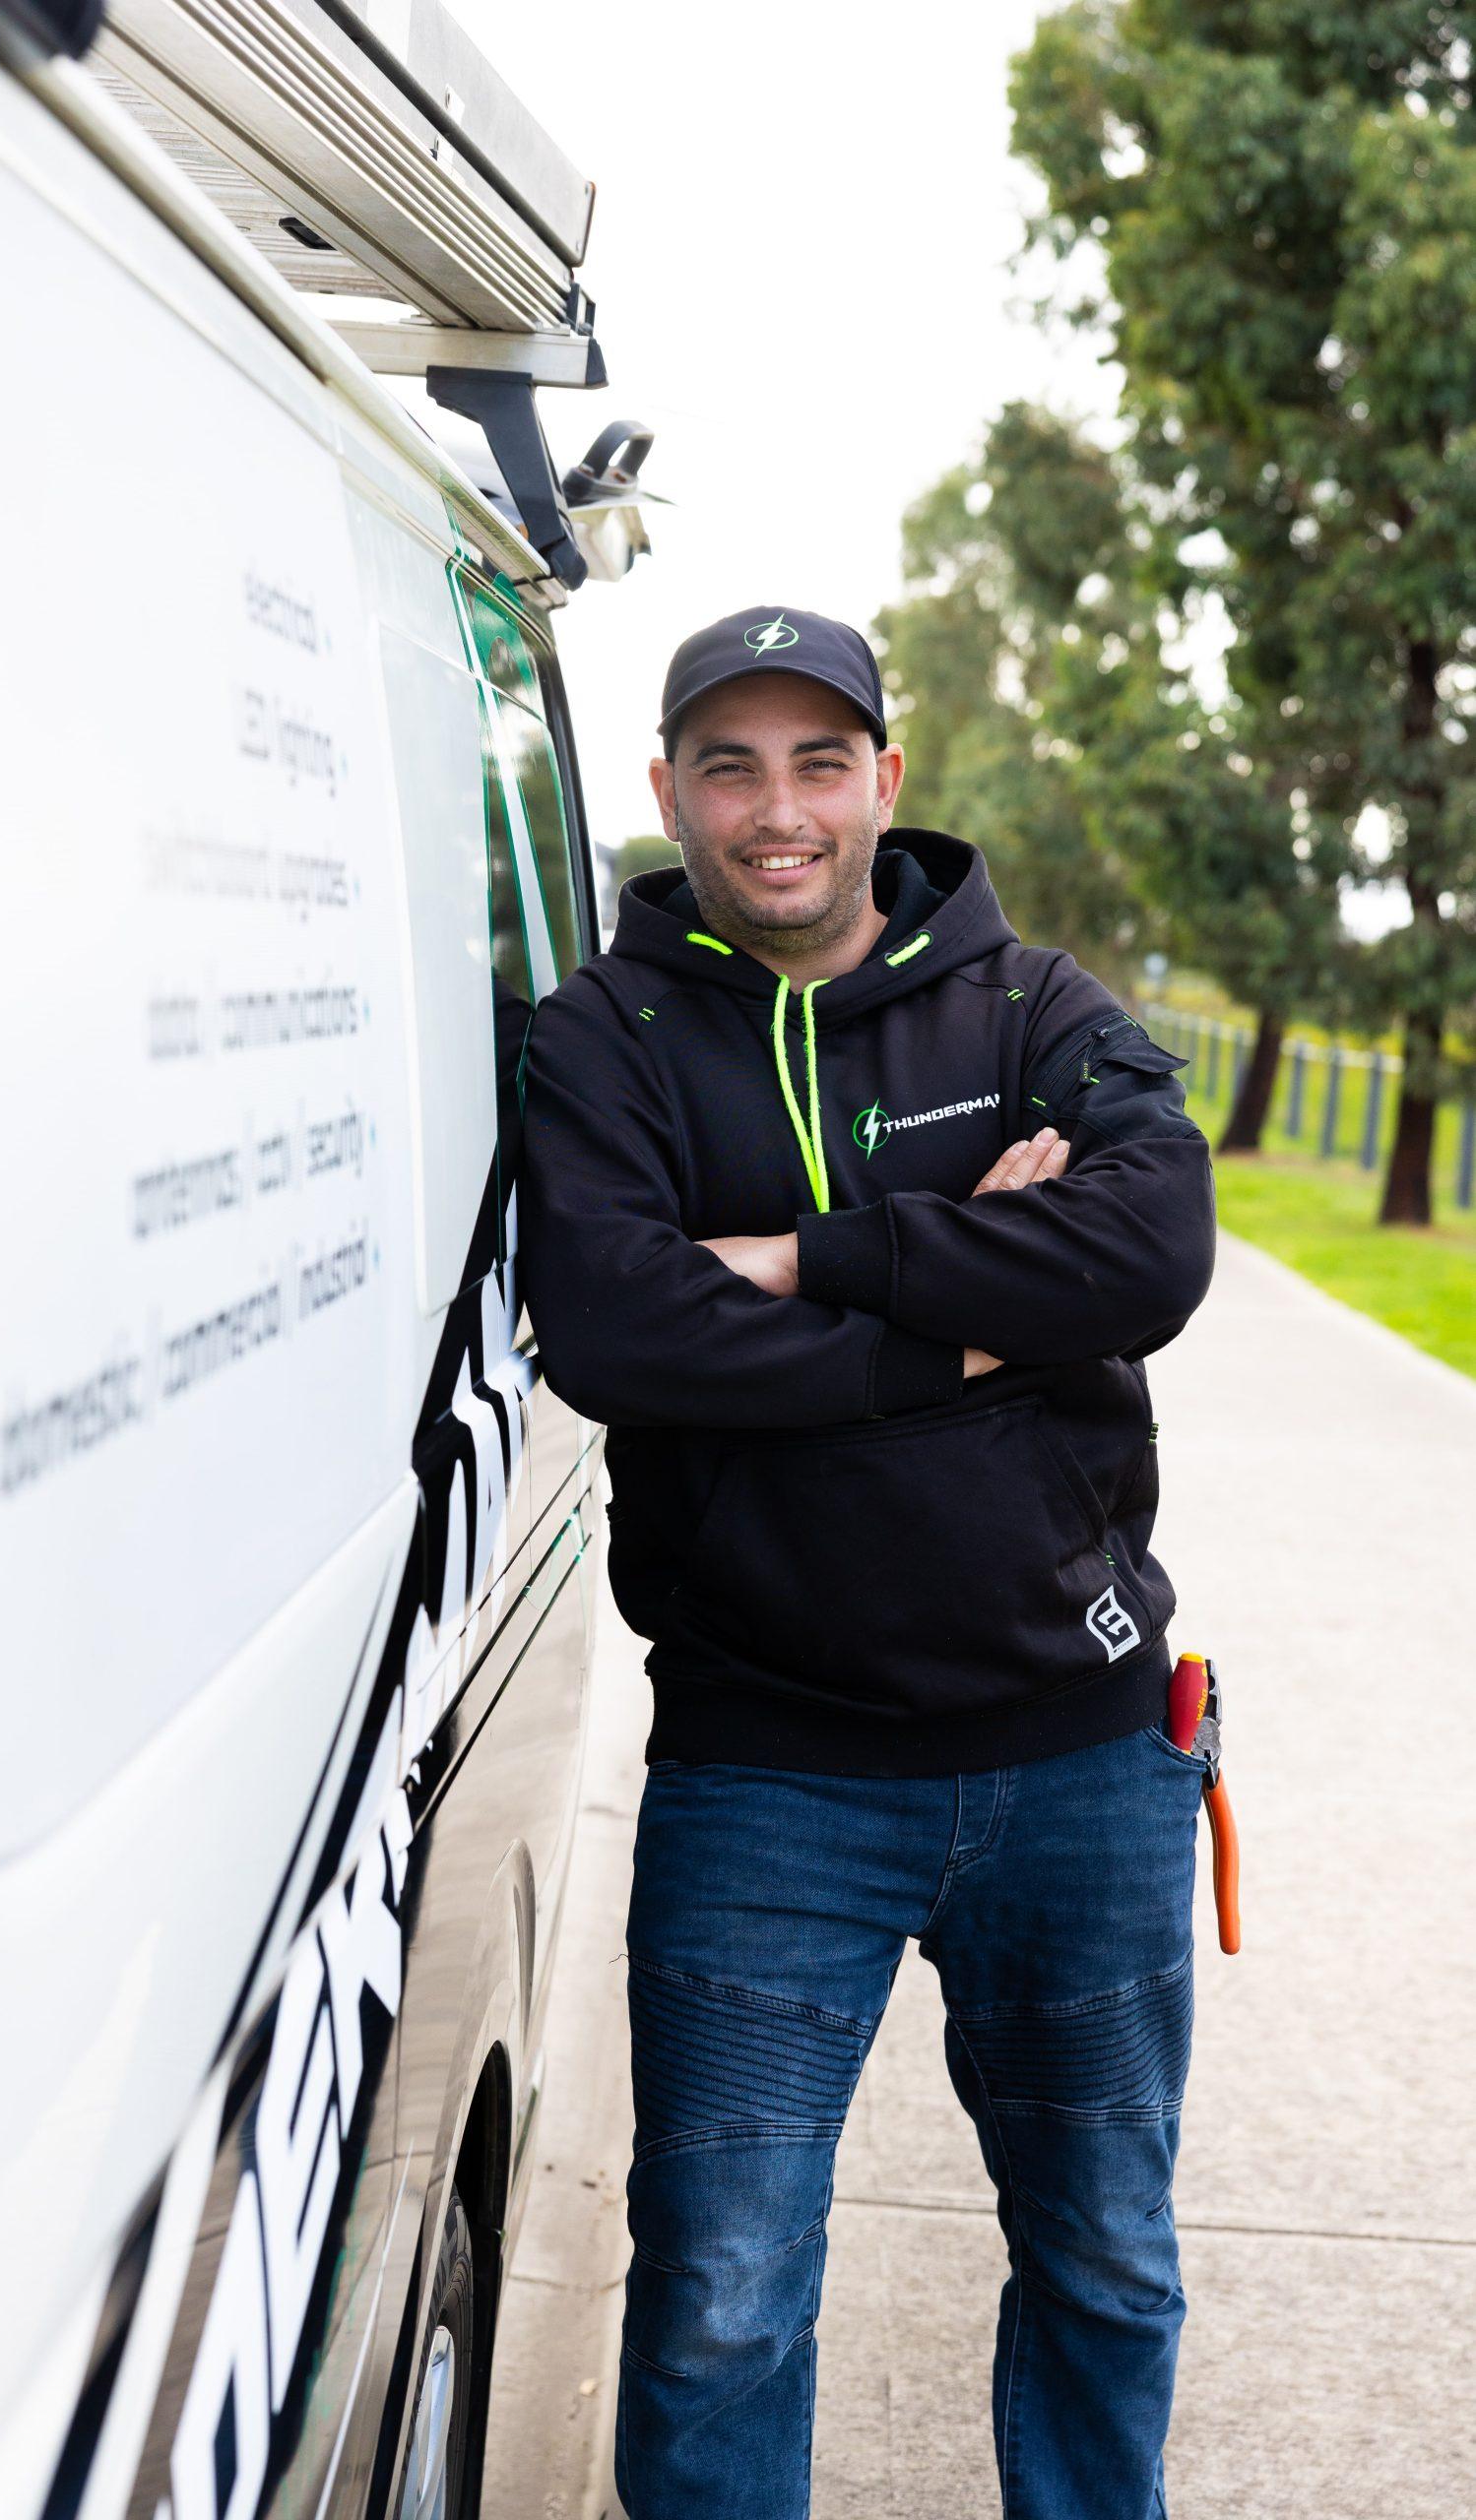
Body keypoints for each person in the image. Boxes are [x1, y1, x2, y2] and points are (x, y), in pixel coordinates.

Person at [518, 603, 1217, 2520]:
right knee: (721, 2298)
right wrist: (981, 1302)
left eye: (816, 761)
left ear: (883, 780)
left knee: (1100, 2258)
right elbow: (619, 1329)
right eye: (726, 764)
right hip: (769, 1770)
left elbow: (1146, 1257)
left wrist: (801, 1254)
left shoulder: (1032, 1007)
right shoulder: (607, 1037)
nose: (774, 809)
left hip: (1077, 1755)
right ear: (664, 788)